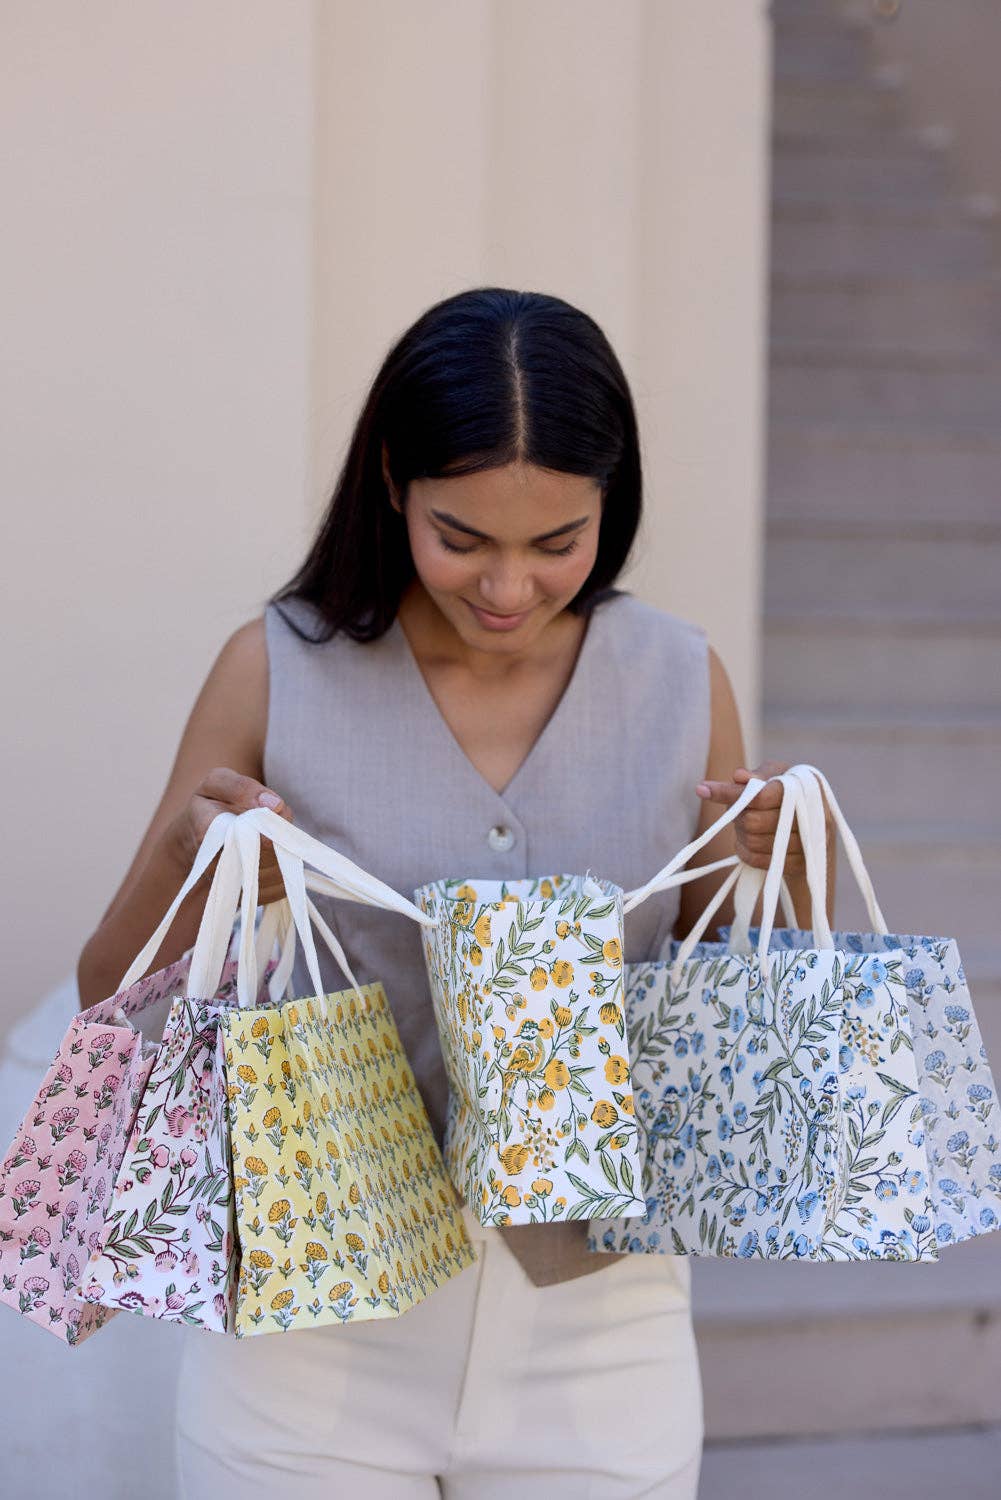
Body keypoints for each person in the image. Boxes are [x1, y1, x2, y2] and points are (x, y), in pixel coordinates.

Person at [77, 287, 834, 1499]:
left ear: (610, 502)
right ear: (390, 480)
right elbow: (109, 994)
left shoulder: (678, 676)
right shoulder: (276, 666)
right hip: (309, 1318)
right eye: (461, 536)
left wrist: (781, 877)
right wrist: (187, 854)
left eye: (557, 543)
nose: (506, 588)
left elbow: (730, 1020)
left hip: (602, 1333)